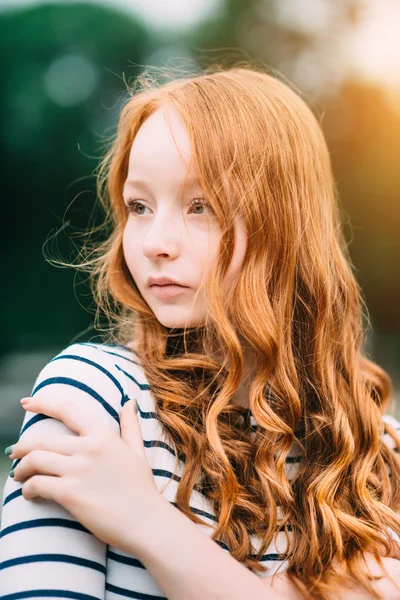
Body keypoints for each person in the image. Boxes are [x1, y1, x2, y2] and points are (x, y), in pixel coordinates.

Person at [1, 64, 400, 600]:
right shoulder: (96, 397)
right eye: (139, 206)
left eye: (200, 206)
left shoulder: (375, 451)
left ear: (283, 221)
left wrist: (148, 524)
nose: (153, 242)